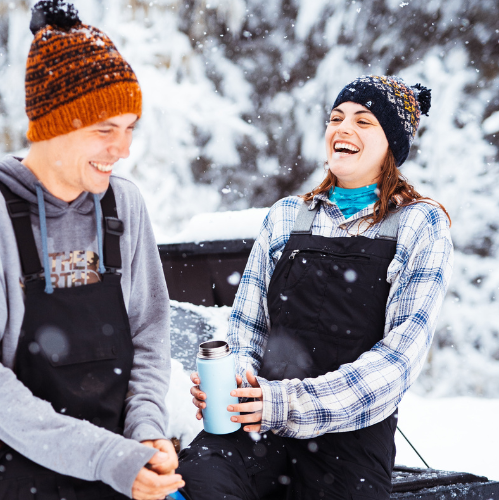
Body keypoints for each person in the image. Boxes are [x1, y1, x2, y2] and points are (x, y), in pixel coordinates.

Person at [0, 1, 184, 499]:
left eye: (130, 127)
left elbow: (149, 331)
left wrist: (146, 430)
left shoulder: (123, 205)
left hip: (119, 471)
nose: (123, 148)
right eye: (105, 129)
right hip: (16, 479)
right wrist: (106, 458)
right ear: (52, 125)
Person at [177, 75, 454, 499]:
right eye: (336, 118)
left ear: (391, 148)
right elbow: (246, 327)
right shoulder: (287, 217)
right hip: (259, 430)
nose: (342, 128)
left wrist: (285, 404)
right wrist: (233, 387)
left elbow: (397, 363)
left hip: (350, 446)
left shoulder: (419, 224)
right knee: (193, 481)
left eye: (364, 121)